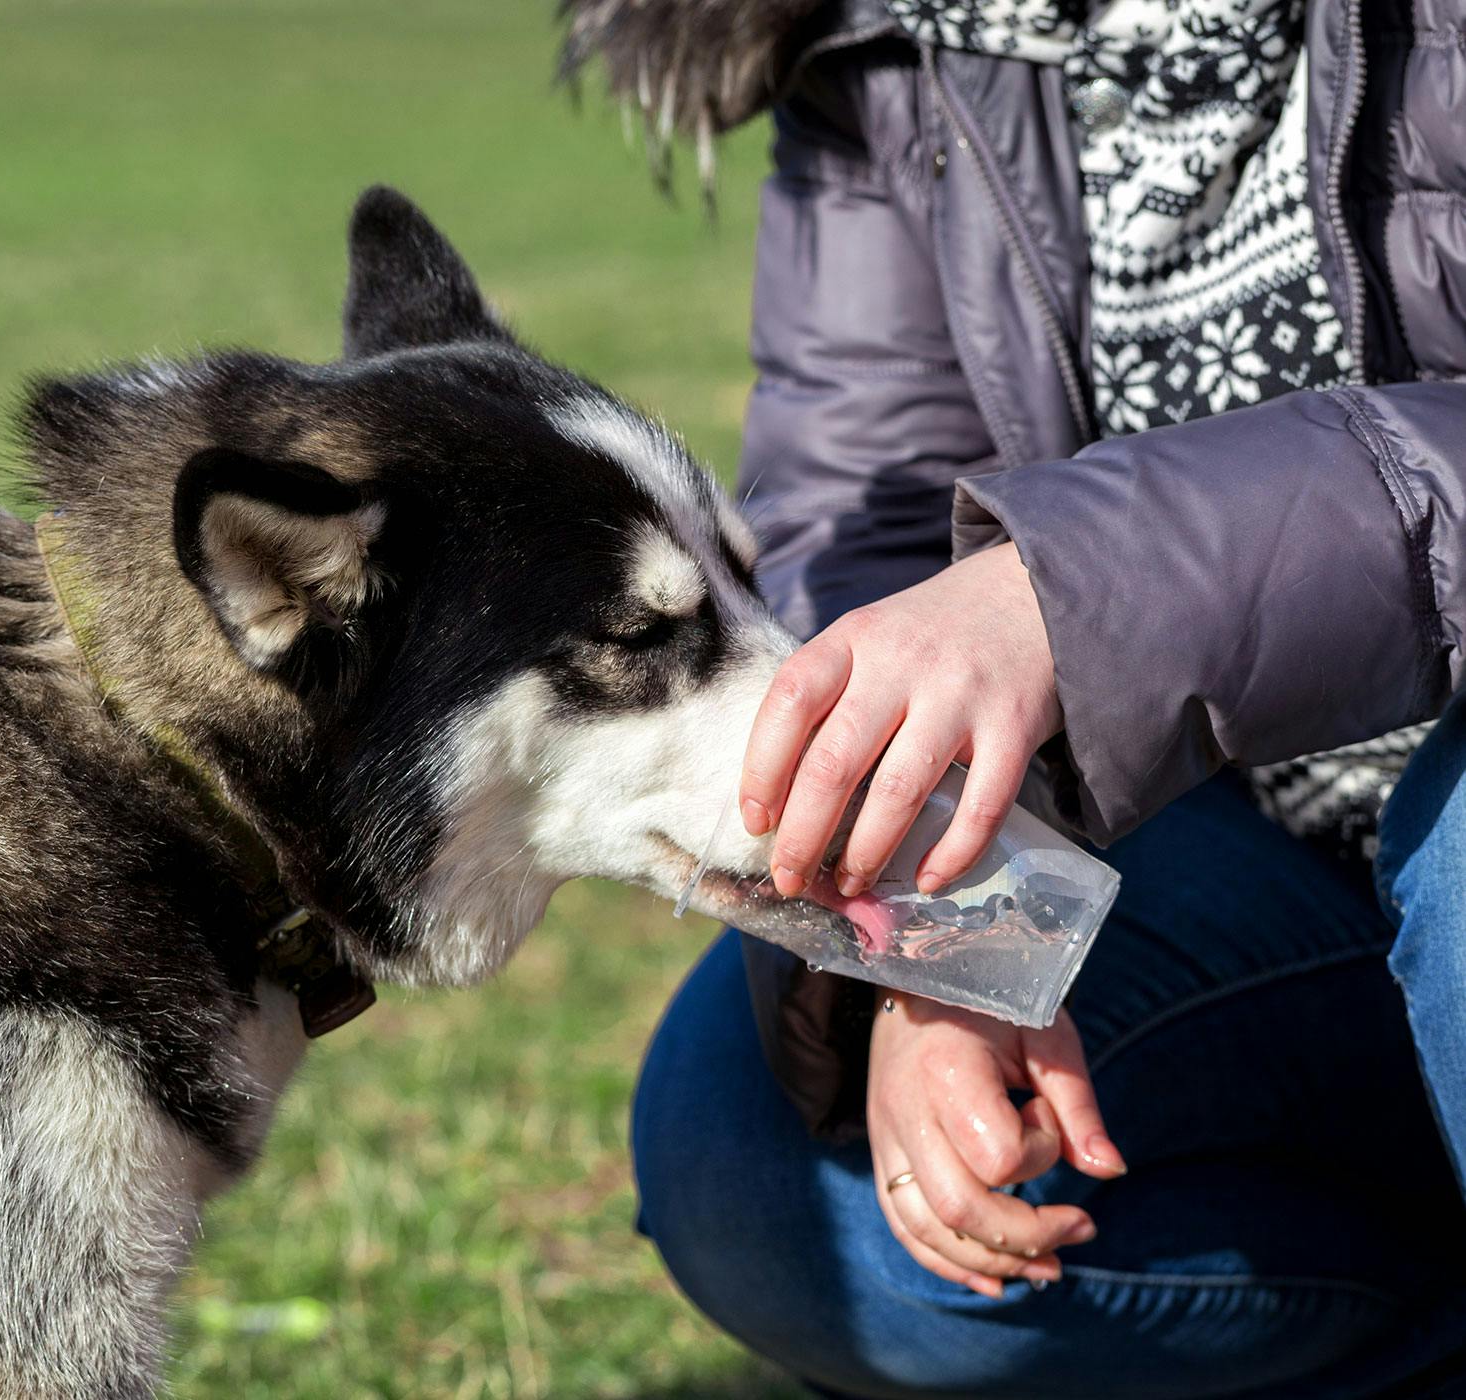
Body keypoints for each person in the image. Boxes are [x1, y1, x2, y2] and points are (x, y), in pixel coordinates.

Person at [559, 0, 1466, 1393]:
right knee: (760, 1169)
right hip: (1261, 857)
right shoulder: (894, 30)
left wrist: (1069, 594)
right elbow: (861, 519)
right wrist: (944, 924)